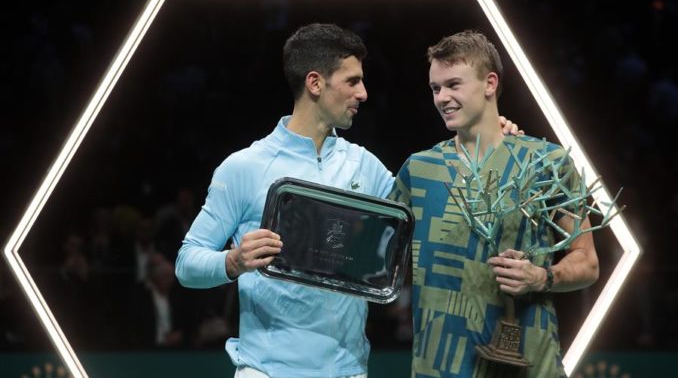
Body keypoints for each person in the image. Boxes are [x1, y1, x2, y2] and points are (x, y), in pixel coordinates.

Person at [175, 23, 521, 378]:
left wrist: (490, 134)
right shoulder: (243, 168)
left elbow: (433, 210)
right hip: (267, 371)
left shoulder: (365, 166)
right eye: (352, 81)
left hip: (349, 371)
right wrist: (233, 261)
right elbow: (187, 264)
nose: (364, 93)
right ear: (315, 83)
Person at [389, 30, 599, 377]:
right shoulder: (419, 170)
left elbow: (588, 262)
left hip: (529, 367)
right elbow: (378, 256)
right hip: (439, 368)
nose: (442, 97)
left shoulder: (544, 163)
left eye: (454, 84)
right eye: (435, 88)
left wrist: (541, 276)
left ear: (489, 83)